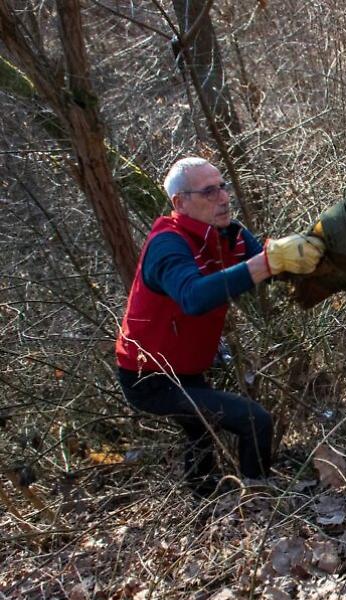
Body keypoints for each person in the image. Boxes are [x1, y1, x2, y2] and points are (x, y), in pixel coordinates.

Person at [115, 157, 324, 495]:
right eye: (209, 192)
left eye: (223, 187)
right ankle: (258, 505)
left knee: (201, 434)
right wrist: (267, 263)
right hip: (149, 378)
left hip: (189, 368)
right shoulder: (167, 244)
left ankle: (207, 504)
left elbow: (275, 269)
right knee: (254, 420)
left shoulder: (231, 235)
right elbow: (193, 297)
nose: (224, 198)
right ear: (180, 203)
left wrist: (316, 248)